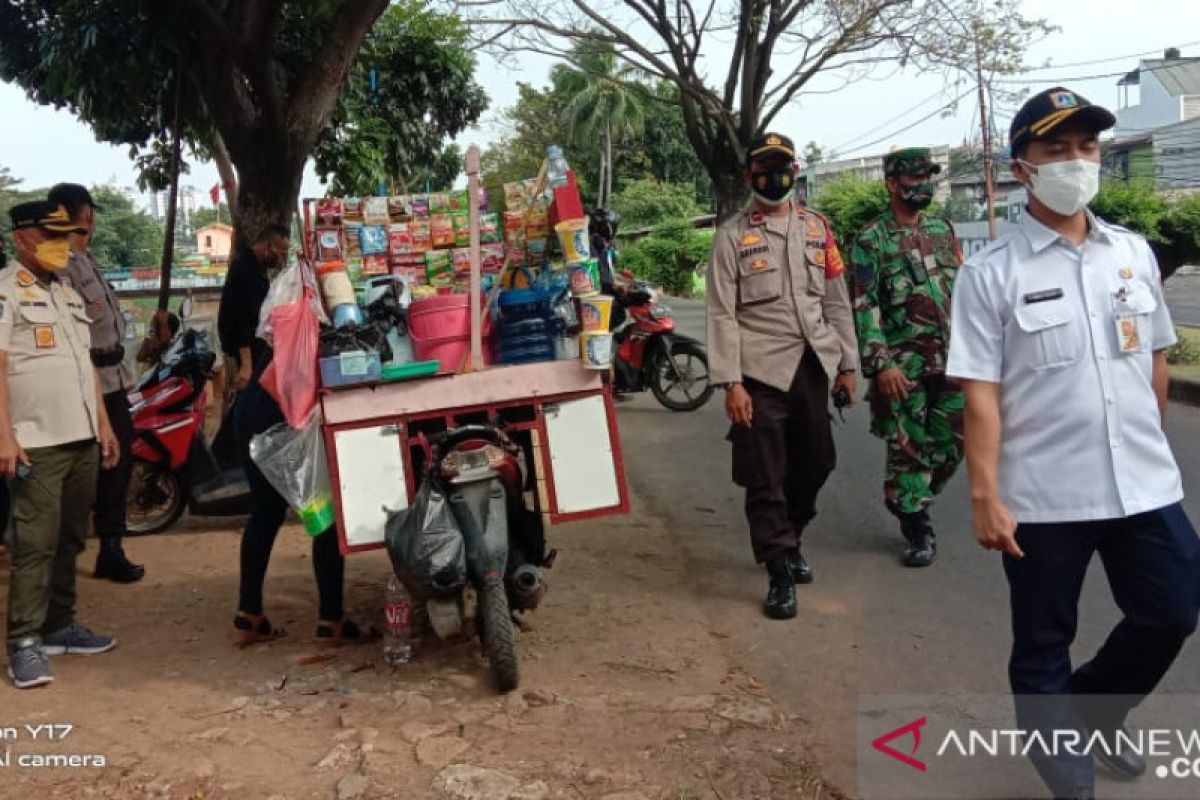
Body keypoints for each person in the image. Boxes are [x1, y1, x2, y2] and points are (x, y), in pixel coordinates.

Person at [947, 87, 1200, 800]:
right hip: (1043, 496)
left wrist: (1151, 440)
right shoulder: (990, 273)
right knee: (1042, 644)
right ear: (1022, 164)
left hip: (1141, 486)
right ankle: (1071, 780)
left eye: (1086, 148)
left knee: (1173, 609)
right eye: (1056, 149)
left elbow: (1152, 358)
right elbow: (981, 394)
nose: (1075, 161)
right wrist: (985, 497)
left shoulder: (1133, 254)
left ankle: (1096, 709)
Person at [707, 132, 859, 621]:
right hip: (760, 372)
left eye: (782, 167)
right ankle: (778, 568)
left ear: (795, 171)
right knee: (765, 475)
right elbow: (721, 313)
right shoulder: (731, 237)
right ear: (750, 175)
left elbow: (836, 301)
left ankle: (791, 535)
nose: (774, 177)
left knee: (817, 462)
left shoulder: (818, 229)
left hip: (813, 365)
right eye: (763, 168)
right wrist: (731, 381)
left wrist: (849, 365)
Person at [218, 225, 369, 646]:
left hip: (251, 414)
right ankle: (332, 620)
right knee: (323, 516)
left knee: (264, 515)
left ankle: (249, 614)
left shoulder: (293, 309)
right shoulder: (318, 316)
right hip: (282, 423)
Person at [1, 201, 120, 689]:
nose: (63, 244)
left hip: (81, 436)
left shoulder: (67, 291)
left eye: (66, 235)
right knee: (34, 542)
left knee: (71, 536)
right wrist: (3, 433)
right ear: (22, 239)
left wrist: (105, 425)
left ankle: (59, 625)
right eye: (51, 235)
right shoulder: (7, 291)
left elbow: (86, 366)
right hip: (36, 441)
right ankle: (24, 641)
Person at [850, 148, 964, 568]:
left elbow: (962, 292)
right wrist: (881, 364)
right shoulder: (870, 240)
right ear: (892, 185)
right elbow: (863, 305)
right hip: (905, 366)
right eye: (914, 179)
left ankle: (907, 497)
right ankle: (917, 525)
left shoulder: (942, 229)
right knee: (910, 448)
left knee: (954, 444)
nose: (923, 186)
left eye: (927, 178)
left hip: (953, 358)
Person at [50, 183, 145, 583]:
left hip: (112, 376)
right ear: (85, 215)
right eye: (91, 213)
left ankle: (111, 545)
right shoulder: (60, 266)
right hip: (87, 383)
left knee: (115, 467)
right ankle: (98, 549)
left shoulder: (85, 261)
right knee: (98, 467)